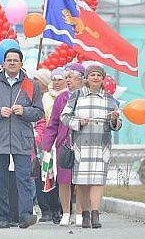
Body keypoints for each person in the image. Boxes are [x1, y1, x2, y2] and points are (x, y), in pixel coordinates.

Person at [0, 48, 44, 229]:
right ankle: (3, 216)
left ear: (21, 63)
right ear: (3, 63)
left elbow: (39, 112)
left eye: (16, 60)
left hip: (22, 138)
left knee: (23, 178)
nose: (12, 63)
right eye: (9, 60)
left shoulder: (30, 85)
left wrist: (25, 111)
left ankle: (25, 215)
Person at [61, 65, 122, 229]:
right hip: (81, 145)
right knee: (82, 183)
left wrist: (115, 119)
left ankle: (95, 214)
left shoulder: (110, 99)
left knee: (98, 181)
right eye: (92, 75)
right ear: (86, 78)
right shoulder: (76, 96)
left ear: (103, 79)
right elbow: (64, 117)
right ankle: (85, 214)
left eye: (98, 75)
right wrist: (78, 122)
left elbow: (116, 125)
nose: (95, 77)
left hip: (101, 146)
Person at [42, 63, 85, 227]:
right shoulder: (62, 98)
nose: (67, 80)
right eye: (65, 77)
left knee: (81, 180)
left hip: (83, 143)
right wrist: (47, 145)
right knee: (64, 179)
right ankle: (66, 212)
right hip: (64, 144)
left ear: (81, 78)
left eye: (70, 77)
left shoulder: (87, 98)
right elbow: (53, 123)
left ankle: (80, 212)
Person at [38, 68, 68, 224]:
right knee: (48, 176)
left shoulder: (70, 97)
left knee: (63, 177)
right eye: (54, 79)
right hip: (48, 140)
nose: (56, 83)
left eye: (60, 79)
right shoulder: (45, 97)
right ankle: (53, 209)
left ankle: (65, 209)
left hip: (64, 142)